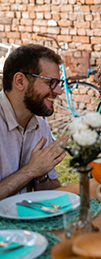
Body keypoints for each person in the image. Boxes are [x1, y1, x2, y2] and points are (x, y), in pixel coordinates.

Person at [0, 44, 67, 200]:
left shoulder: (41, 126)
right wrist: (31, 170)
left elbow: (52, 192)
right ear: (20, 81)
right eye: (50, 82)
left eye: (58, 83)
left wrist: (41, 175)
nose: (58, 91)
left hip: (28, 222)